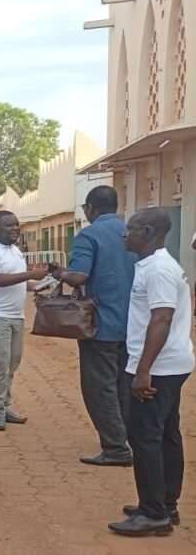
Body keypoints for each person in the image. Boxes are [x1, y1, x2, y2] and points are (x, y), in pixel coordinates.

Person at [109, 209, 194, 536]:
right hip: (171, 363)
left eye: (129, 229)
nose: (124, 234)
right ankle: (164, 504)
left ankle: (153, 512)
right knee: (166, 434)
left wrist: (143, 370)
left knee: (145, 437)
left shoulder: (158, 270)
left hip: (158, 367)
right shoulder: (158, 265)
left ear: (147, 231)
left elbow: (161, 320)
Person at [53, 186, 137, 466]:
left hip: (100, 324)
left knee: (99, 387)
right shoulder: (133, 232)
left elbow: (78, 277)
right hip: (133, 324)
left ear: (90, 209)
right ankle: (127, 439)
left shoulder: (89, 235)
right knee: (123, 384)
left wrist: (60, 273)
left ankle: (115, 448)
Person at [0, 211, 49, 431]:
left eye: (17, 225)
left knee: (12, 363)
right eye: (9, 226)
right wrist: (29, 276)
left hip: (16, 316)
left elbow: (18, 281)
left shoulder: (15, 251)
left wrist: (38, 285)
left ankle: (5, 407)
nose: (15, 229)